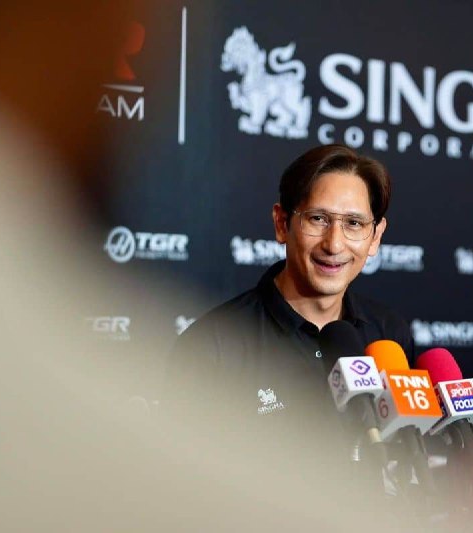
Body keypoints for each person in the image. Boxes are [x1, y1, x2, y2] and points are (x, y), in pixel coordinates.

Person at [164, 144, 415, 445]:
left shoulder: (388, 335)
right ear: (282, 224)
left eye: (353, 223)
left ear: (375, 237)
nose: (334, 244)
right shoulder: (212, 346)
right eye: (318, 219)